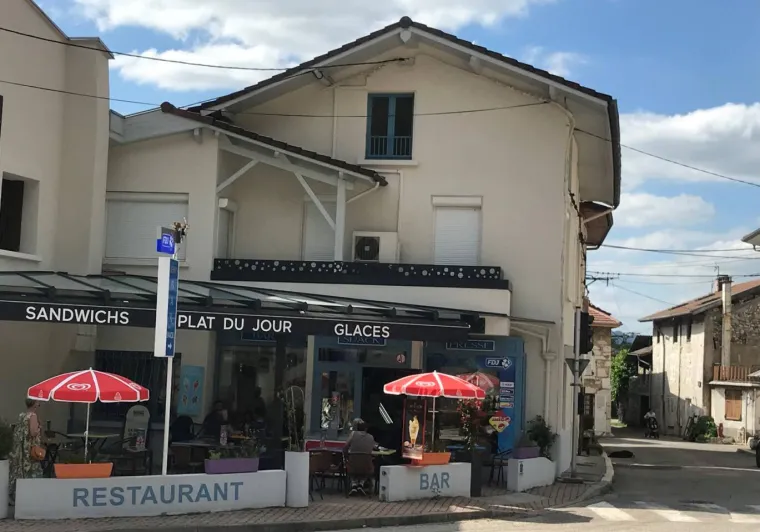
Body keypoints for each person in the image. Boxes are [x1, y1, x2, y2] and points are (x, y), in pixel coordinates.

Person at [8, 399, 44, 504]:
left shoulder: (22, 415)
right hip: (30, 449)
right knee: (32, 470)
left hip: (21, 449)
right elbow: (33, 432)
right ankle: (32, 496)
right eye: (37, 401)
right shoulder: (33, 416)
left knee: (20, 470)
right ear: (35, 403)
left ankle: (15, 494)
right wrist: (39, 428)